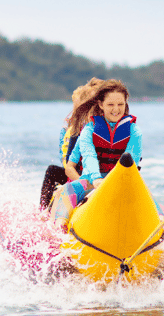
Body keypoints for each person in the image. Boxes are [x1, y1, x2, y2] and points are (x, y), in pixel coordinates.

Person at [49, 79, 142, 231]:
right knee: (66, 190)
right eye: (110, 105)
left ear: (126, 104)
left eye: (120, 104)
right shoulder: (89, 130)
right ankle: (58, 231)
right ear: (101, 105)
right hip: (91, 181)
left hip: (121, 181)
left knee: (146, 194)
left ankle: (161, 228)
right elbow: (89, 156)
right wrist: (97, 179)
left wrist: (113, 181)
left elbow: (132, 160)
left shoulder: (134, 131)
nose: (116, 109)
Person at [39, 78, 103, 208]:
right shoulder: (74, 130)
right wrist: (84, 183)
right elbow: (68, 164)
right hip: (80, 177)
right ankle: (44, 210)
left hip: (103, 179)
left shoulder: (115, 130)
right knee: (52, 171)